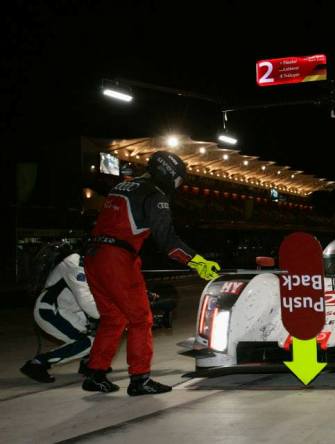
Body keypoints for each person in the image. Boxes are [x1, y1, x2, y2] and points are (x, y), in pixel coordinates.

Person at [83, 151, 221, 396]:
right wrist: (198, 262)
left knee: (113, 318)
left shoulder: (122, 186)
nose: (177, 186)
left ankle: (95, 373)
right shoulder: (156, 196)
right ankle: (140, 379)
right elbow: (168, 241)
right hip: (118, 259)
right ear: (170, 175)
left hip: (94, 256)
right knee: (141, 319)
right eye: (178, 180)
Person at [20, 248, 100, 383]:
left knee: (97, 336)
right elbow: (86, 301)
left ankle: (88, 363)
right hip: (50, 311)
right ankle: (38, 364)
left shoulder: (90, 265)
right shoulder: (76, 264)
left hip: (66, 311)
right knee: (87, 343)